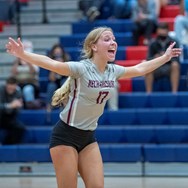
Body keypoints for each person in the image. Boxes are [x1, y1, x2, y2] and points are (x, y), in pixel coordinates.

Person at [6, 27, 181, 188]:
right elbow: (52, 64)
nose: (113, 42)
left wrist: (165, 57)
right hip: (65, 136)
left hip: (88, 137)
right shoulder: (81, 68)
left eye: (113, 39)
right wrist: (23, 54)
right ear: (94, 47)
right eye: (106, 39)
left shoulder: (113, 71)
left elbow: (140, 68)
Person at [145, 22, 180, 93]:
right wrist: (157, 57)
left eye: (164, 30)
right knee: (147, 67)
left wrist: (167, 57)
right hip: (156, 67)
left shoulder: (174, 42)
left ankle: (174, 92)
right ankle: (148, 94)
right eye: (161, 30)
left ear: (167, 31)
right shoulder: (153, 43)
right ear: (157, 31)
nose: (162, 32)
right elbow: (148, 59)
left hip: (169, 66)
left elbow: (177, 59)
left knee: (175, 65)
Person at [11, 40, 40, 109]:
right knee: (14, 88)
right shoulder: (17, 61)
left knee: (27, 89)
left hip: (31, 83)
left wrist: (27, 60)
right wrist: (18, 59)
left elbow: (33, 72)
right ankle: (16, 107)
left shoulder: (34, 60)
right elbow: (13, 73)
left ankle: (29, 106)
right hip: (19, 83)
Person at [0, 76, 25, 145]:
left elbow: (18, 108)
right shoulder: (1, 90)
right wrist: (10, 105)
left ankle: (7, 145)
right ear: (6, 85)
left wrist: (18, 106)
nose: (11, 89)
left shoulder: (18, 92)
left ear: (16, 86)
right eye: (9, 87)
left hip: (9, 117)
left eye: (12, 87)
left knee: (20, 127)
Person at [46, 43, 70, 113]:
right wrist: (55, 67)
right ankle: (49, 105)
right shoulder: (49, 62)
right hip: (54, 82)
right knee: (51, 86)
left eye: (59, 53)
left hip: (64, 80)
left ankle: (65, 104)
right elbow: (51, 79)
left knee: (64, 83)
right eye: (56, 53)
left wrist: (62, 66)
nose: (58, 55)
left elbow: (69, 76)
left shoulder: (67, 59)